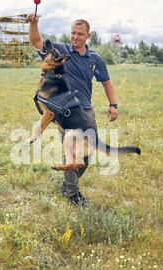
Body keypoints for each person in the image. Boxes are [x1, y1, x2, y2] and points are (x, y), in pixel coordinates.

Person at [27, 14, 119, 206]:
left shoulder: (95, 58)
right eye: (73, 33)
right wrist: (34, 23)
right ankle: (71, 193)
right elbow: (36, 41)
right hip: (64, 110)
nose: (75, 37)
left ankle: (69, 184)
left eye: (80, 34)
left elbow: (106, 82)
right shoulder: (60, 50)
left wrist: (113, 105)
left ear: (88, 35)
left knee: (87, 154)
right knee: (72, 151)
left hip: (85, 109)